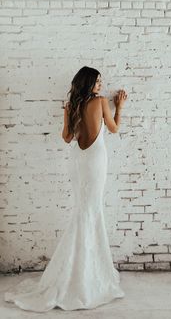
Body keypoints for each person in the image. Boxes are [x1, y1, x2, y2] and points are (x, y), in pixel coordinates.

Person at [4, 66, 128, 312]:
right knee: (91, 212)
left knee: (83, 211)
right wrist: (120, 107)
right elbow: (113, 128)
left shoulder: (71, 106)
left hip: (78, 162)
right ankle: (87, 274)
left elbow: (67, 137)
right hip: (95, 161)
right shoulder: (102, 102)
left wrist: (69, 115)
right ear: (89, 83)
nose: (101, 85)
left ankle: (78, 269)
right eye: (97, 81)